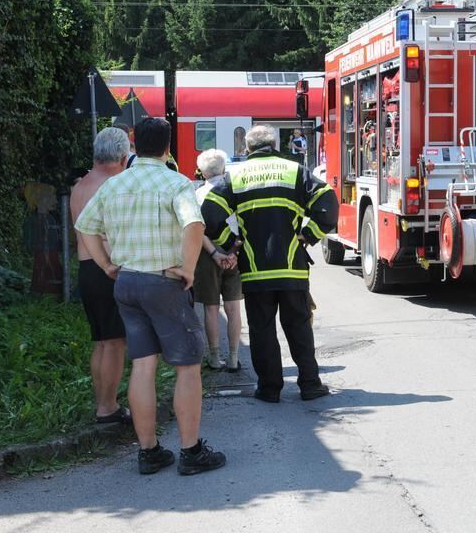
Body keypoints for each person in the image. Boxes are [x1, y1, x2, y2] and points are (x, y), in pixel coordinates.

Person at [75, 117, 226, 476]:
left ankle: (149, 452)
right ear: (168, 147)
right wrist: (189, 268)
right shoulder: (176, 183)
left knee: (143, 365)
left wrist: (107, 265)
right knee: (187, 366)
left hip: (126, 283)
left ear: (134, 147)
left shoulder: (114, 185)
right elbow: (194, 224)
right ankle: (190, 451)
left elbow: (85, 227)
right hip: (164, 283)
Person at [202, 124, 339, 403]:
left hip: (255, 271)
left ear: (248, 149)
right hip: (292, 267)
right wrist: (308, 235)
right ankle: (310, 385)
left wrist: (231, 244)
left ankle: (269, 388)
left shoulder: (236, 176)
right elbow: (328, 205)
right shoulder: (295, 171)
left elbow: (209, 213)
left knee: (262, 330)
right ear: (275, 144)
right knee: (299, 326)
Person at [69, 127, 131, 425]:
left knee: (101, 341)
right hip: (107, 268)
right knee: (115, 342)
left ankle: (103, 401)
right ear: (122, 156)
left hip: (86, 269)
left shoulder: (80, 185)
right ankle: (108, 407)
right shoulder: (112, 186)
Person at [193, 149, 243, 372]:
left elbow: (197, 229)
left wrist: (214, 254)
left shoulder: (196, 195)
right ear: (223, 169)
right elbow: (242, 226)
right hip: (234, 254)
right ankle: (233, 358)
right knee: (233, 308)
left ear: (202, 173)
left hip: (207, 254)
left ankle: (214, 357)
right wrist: (233, 253)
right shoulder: (236, 192)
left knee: (211, 308)